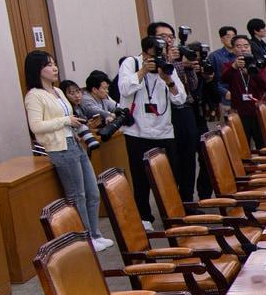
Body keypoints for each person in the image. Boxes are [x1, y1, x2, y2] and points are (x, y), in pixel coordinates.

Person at [25, 51, 112, 250]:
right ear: (37, 70)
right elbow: (36, 126)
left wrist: (80, 123)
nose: (54, 68)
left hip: (75, 143)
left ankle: (95, 234)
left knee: (92, 192)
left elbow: (70, 117)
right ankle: (85, 238)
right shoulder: (34, 96)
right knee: (77, 196)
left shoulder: (58, 91)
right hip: (60, 149)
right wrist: (66, 121)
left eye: (54, 63)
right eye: (48, 65)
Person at [117, 35, 186, 227]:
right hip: (137, 132)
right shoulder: (131, 63)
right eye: (156, 50)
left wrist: (168, 80)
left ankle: (171, 214)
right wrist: (142, 72)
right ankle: (145, 217)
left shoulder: (166, 67)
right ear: (146, 50)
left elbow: (180, 99)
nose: (159, 55)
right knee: (141, 179)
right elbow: (124, 89)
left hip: (164, 131)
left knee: (170, 176)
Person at [151, 21, 205, 202]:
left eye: (170, 37)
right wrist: (169, 63)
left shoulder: (181, 53)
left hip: (186, 111)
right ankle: (172, 203)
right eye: (162, 37)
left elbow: (193, 86)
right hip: (166, 114)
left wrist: (188, 67)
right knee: (172, 159)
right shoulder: (150, 61)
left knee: (189, 156)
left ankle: (188, 199)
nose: (167, 40)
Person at [223, 34, 266, 151]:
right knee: (241, 147)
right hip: (239, 113)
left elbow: (265, 85)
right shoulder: (230, 66)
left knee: (263, 146)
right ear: (233, 49)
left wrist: (252, 72)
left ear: (250, 47)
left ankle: (265, 167)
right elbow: (224, 79)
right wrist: (234, 67)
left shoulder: (258, 65)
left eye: (246, 46)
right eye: (238, 46)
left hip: (257, 112)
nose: (243, 49)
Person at [208, 25, 238, 111]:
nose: (232, 39)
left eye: (234, 36)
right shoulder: (214, 56)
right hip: (225, 95)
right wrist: (223, 91)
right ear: (222, 39)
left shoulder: (240, 55)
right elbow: (211, 80)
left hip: (240, 94)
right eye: (228, 36)